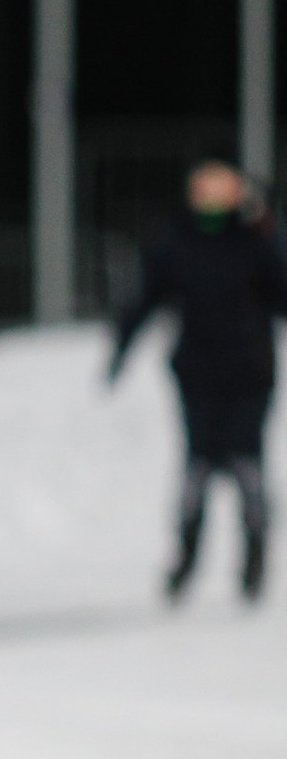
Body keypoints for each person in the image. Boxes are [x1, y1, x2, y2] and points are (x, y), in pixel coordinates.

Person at [108, 160, 287, 601]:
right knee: (198, 467)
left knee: (247, 465)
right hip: (198, 373)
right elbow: (146, 298)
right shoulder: (177, 242)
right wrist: (120, 351)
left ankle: (254, 560)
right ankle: (186, 560)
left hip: (250, 373)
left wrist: (269, 229)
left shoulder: (255, 241)